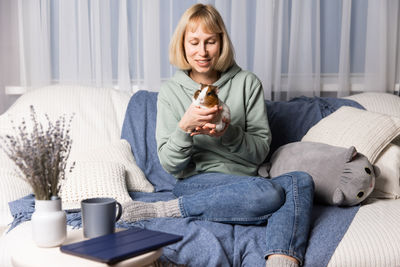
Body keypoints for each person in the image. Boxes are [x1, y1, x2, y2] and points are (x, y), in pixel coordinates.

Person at [122, 4, 314, 267]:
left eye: (210, 41)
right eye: (194, 42)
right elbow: (169, 164)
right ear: (183, 45)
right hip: (197, 182)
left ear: (221, 43)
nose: (202, 52)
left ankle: (281, 261)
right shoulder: (171, 92)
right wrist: (184, 128)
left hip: (246, 180)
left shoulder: (247, 83)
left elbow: (260, 152)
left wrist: (228, 131)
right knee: (269, 194)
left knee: (300, 181)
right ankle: (165, 208)